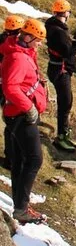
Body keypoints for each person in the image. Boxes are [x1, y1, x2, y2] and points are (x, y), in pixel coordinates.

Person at [1, 19, 48, 224]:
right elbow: (10, 87)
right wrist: (29, 107)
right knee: (34, 159)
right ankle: (21, 208)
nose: (39, 44)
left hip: (18, 114)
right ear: (27, 37)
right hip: (21, 115)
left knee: (20, 160)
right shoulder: (18, 58)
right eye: (37, 40)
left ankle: (20, 205)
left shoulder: (23, 53)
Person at [45, 0, 76, 152]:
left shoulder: (53, 27)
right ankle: (61, 137)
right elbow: (67, 52)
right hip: (61, 71)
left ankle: (64, 134)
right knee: (65, 103)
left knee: (66, 102)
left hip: (57, 69)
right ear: (66, 13)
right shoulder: (59, 31)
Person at [0, 14, 26, 170]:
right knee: (11, 123)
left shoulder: (3, 41)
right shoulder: (13, 46)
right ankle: (11, 158)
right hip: (8, 87)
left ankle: (10, 157)